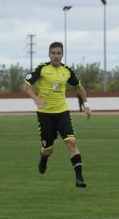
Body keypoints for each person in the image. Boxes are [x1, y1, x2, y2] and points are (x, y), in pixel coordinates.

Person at [23, 41, 90, 188]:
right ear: (49, 54)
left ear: (62, 55)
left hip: (62, 113)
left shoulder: (67, 71)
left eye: (58, 53)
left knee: (71, 142)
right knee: (48, 149)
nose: (56, 56)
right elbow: (26, 86)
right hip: (45, 115)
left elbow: (79, 87)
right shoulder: (42, 69)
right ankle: (44, 157)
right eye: (53, 53)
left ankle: (79, 178)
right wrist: (36, 99)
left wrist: (87, 105)